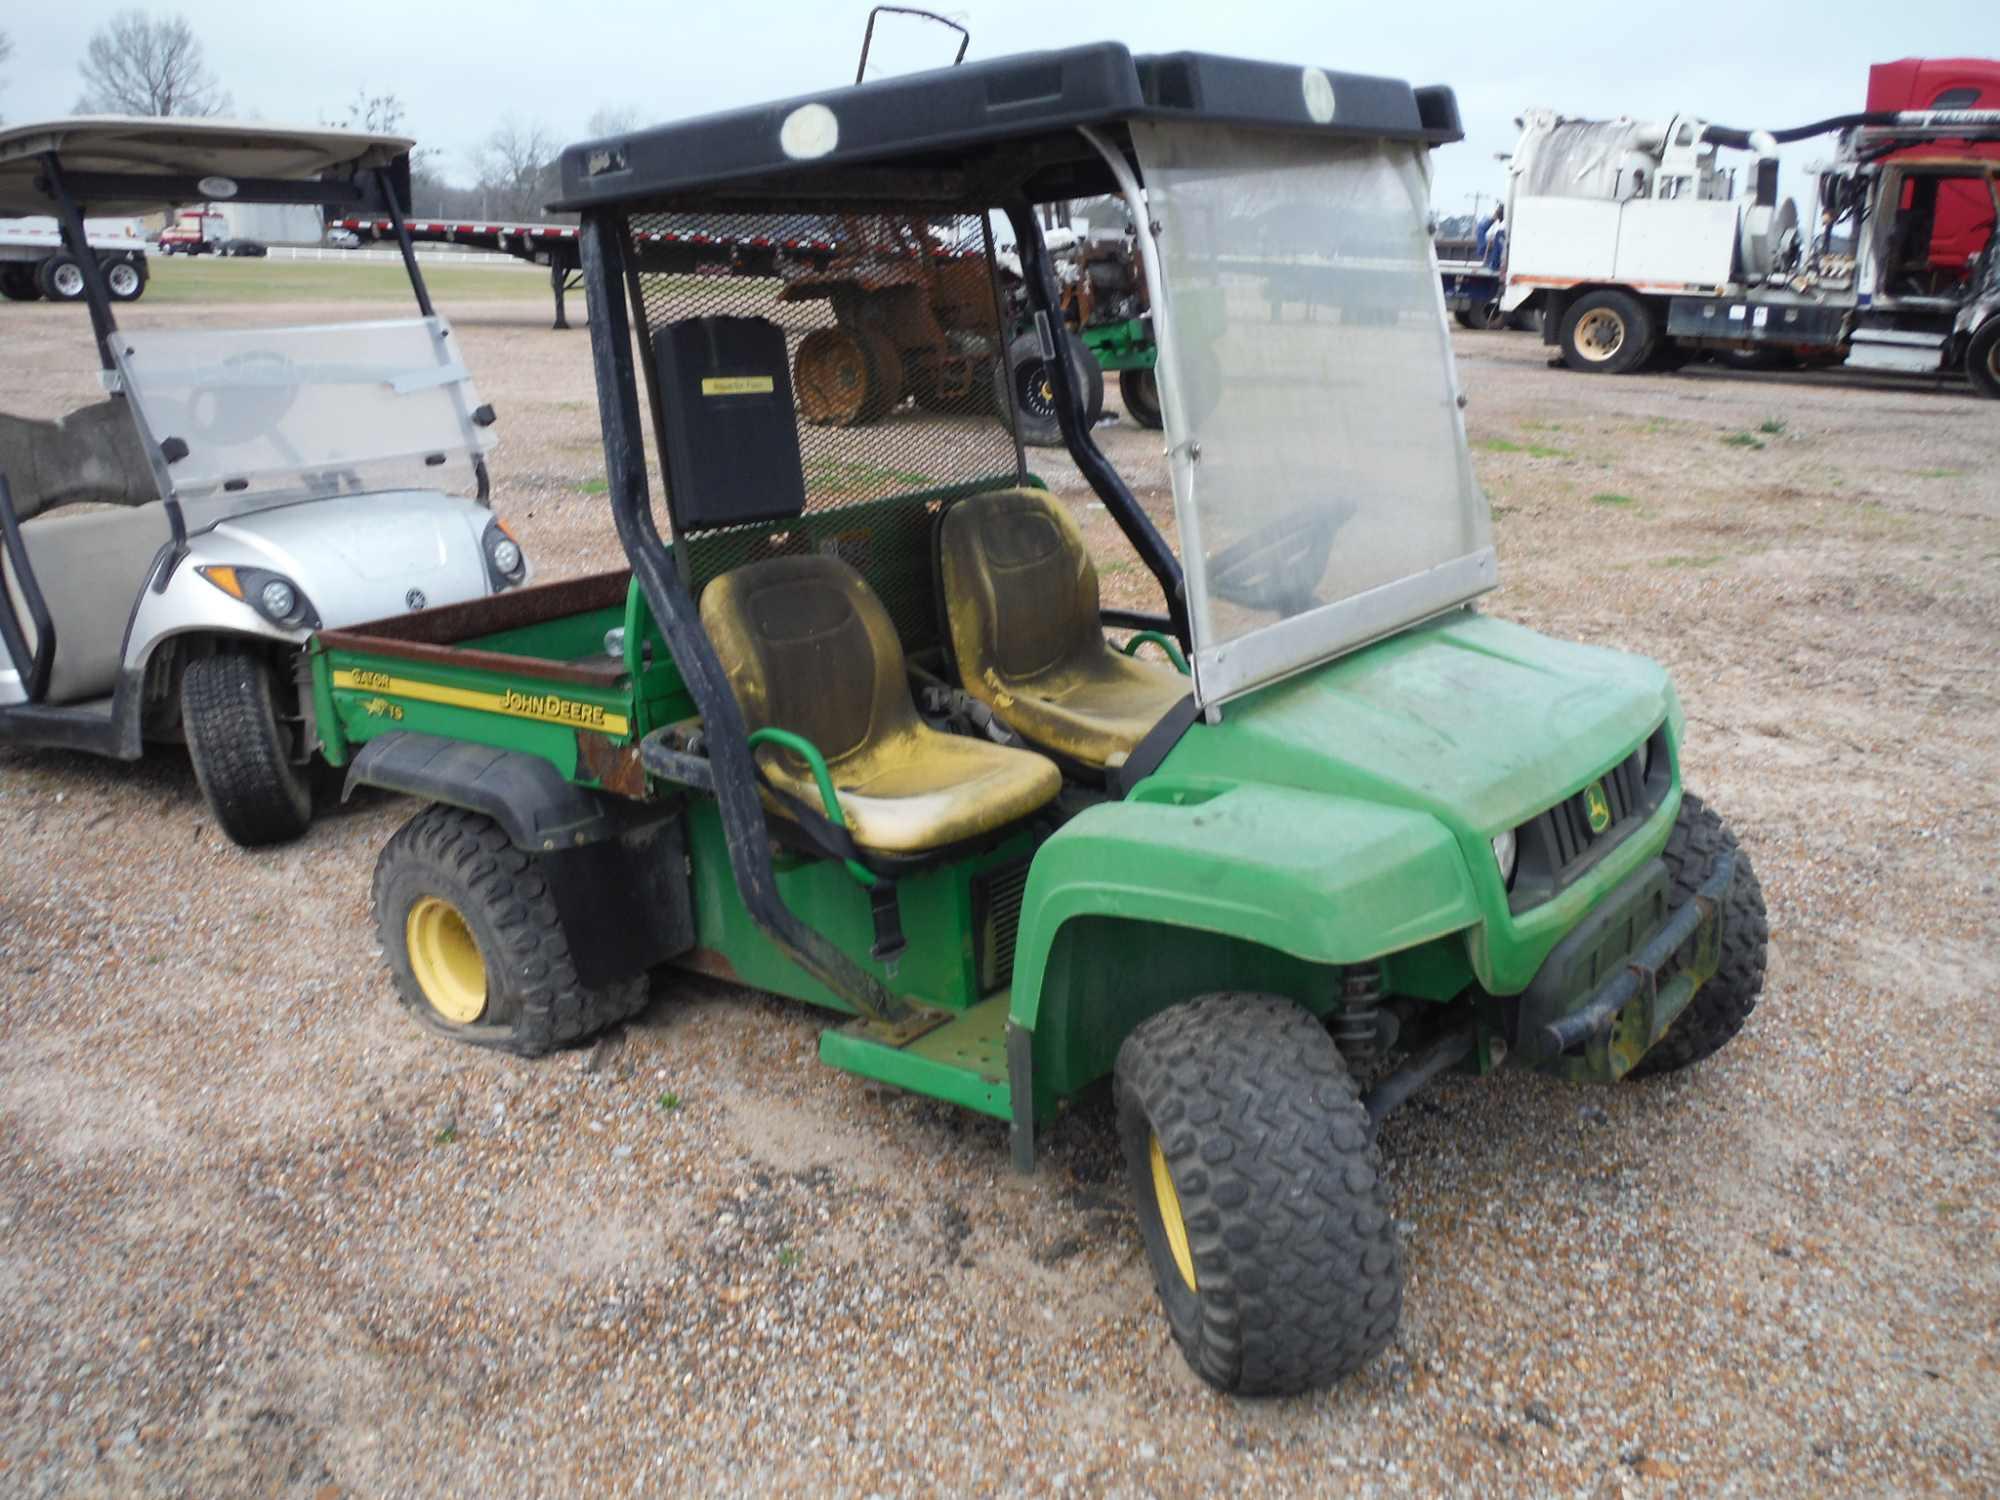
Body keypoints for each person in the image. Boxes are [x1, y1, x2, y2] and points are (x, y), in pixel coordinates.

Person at [1475, 203, 1505, 270]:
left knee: (1480, 229)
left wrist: (1494, 218)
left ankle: (1494, 264)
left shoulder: (1500, 234)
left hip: (1496, 263)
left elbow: (1480, 229)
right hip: (1498, 261)